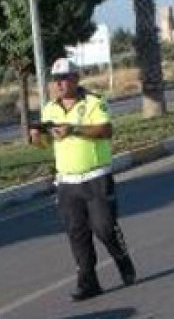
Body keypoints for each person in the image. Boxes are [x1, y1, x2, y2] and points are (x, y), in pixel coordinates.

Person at [29, 58, 137, 301]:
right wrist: (36, 137)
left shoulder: (93, 102)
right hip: (67, 182)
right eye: (56, 79)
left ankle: (122, 260)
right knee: (76, 233)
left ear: (76, 78)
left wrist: (74, 129)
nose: (60, 83)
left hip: (96, 177)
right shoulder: (49, 109)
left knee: (104, 229)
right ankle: (88, 282)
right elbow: (45, 144)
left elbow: (106, 130)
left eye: (65, 77)